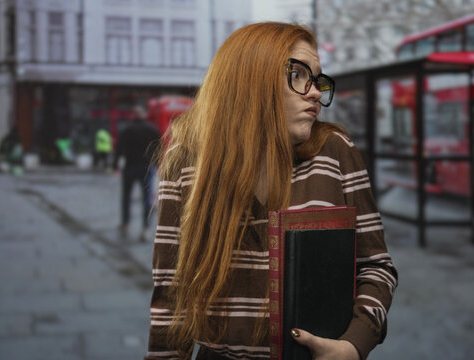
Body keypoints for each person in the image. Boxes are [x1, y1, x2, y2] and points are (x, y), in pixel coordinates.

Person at [146, 22, 398, 360]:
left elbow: (375, 266)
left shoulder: (335, 150)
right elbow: (170, 290)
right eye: (298, 75)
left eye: (318, 80)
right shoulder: (187, 159)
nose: (315, 92)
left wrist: (353, 345)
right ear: (250, 78)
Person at [113, 105, 160, 240]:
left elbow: (119, 149)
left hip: (130, 167)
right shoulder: (152, 129)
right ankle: (145, 228)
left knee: (126, 196)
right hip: (146, 167)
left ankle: (125, 223)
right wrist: (157, 164)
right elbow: (158, 149)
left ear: (133, 115)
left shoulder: (126, 129)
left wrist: (115, 165)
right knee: (146, 198)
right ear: (144, 115)